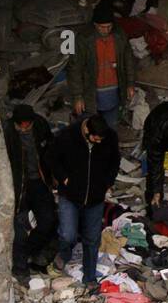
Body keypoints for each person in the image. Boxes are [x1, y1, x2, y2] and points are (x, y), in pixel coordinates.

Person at [46, 112, 119, 287]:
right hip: (70, 196)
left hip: (95, 198)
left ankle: (90, 278)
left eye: (101, 138)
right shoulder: (67, 135)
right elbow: (52, 158)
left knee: (92, 239)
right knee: (68, 235)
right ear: (86, 130)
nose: (99, 141)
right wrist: (63, 178)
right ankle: (64, 255)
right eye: (95, 138)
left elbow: (115, 161)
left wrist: (107, 182)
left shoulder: (110, 137)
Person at [5, 104, 55, 278]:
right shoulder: (7, 132)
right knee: (20, 227)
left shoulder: (40, 125)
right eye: (22, 125)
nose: (25, 128)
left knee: (48, 220)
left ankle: (30, 255)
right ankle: (20, 268)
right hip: (18, 186)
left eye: (28, 125)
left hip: (39, 182)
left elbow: (50, 149)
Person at [69, 0, 135, 131]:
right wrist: (77, 96)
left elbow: (128, 60)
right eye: (102, 27)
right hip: (91, 91)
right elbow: (74, 68)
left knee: (110, 128)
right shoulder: (84, 39)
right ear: (95, 25)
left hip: (113, 90)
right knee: (89, 128)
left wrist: (130, 83)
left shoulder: (119, 36)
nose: (106, 30)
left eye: (109, 27)